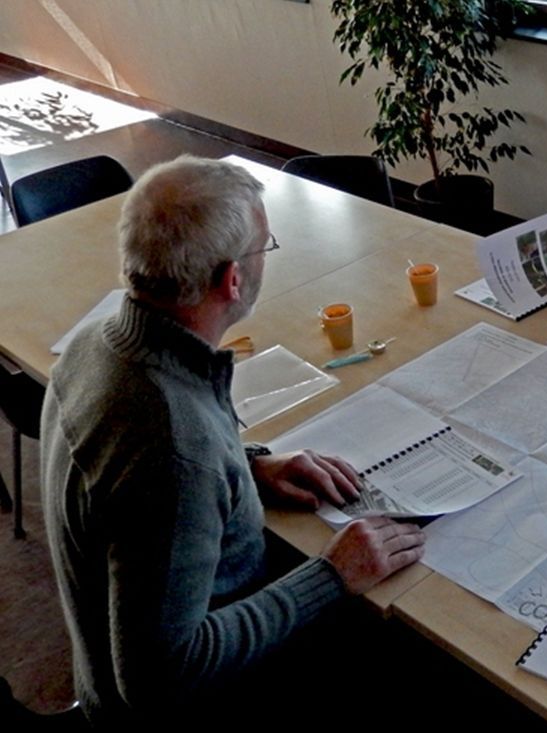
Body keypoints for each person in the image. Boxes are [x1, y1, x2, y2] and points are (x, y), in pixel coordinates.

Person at [40, 156, 426, 725]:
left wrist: (246, 467)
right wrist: (332, 576)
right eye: (263, 247)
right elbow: (158, 678)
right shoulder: (174, 447)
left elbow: (136, 485)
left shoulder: (96, 341)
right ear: (232, 279)